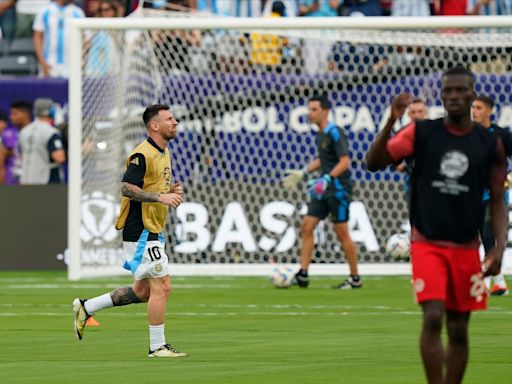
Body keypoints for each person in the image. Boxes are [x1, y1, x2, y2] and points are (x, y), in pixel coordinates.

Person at [365, 66, 507, 384]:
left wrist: (498, 248)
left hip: (467, 246)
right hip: (426, 242)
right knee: (432, 317)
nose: (455, 96)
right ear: (442, 95)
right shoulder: (422, 133)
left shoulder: (488, 143)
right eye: (449, 91)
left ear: (472, 95)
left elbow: (498, 199)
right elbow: (373, 163)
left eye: (461, 90)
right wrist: (390, 120)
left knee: (458, 328)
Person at [73, 104, 188, 358]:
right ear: (154, 126)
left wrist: (169, 193)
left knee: (142, 291)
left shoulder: (163, 151)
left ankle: (86, 307)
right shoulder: (142, 154)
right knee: (162, 287)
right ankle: (157, 347)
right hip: (141, 230)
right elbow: (126, 187)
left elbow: (154, 188)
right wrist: (161, 197)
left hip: (153, 228)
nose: (175, 122)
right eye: (170, 119)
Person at [282, 94, 361, 289]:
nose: (310, 113)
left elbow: (344, 162)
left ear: (325, 111)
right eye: (309, 109)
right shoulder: (321, 133)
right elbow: (323, 159)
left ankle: (355, 278)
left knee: (341, 232)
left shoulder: (335, 132)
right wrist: (303, 172)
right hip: (324, 188)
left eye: (314, 109)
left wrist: (327, 178)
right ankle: (303, 274)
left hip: (338, 189)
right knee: (307, 226)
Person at [471, 95, 511, 296]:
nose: (474, 111)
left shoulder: (501, 135)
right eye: (473, 107)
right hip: (471, 195)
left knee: (488, 234)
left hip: (494, 196)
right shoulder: (467, 134)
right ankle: (498, 283)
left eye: (478, 107)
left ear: (489, 111)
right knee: (477, 237)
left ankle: (489, 282)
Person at [18, 98, 66, 185]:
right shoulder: (51, 132)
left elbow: (21, 156)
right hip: (47, 181)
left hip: (27, 180)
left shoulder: (24, 131)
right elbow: (59, 157)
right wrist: (80, 152)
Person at [33, 0, 85, 78]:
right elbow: (37, 37)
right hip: (49, 64)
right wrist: (42, 62)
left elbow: (86, 39)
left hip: (71, 67)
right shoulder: (45, 11)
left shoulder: (78, 12)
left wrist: (79, 63)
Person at [395, 98, 428, 206]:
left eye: (420, 111)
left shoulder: (435, 131)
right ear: (408, 114)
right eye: (413, 112)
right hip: (411, 180)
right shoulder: (403, 133)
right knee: (415, 217)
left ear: (425, 113)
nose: (417, 115)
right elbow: (394, 157)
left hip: (432, 181)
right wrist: (401, 166)